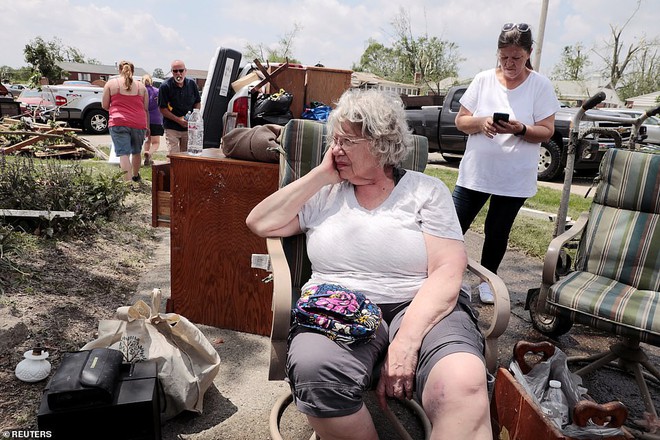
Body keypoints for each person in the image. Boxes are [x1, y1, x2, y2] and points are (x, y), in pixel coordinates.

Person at [246, 89, 491, 439]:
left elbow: (447, 270)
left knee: (463, 383)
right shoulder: (324, 193)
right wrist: (320, 176)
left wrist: (406, 342)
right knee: (317, 374)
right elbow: (259, 222)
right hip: (339, 305)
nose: (335, 150)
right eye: (334, 140)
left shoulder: (427, 191)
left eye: (346, 140)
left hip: (420, 303)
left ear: (380, 143)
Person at [453, 22, 560, 304]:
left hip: (513, 178)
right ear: (498, 54)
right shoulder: (483, 79)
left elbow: (547, 130)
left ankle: (487, 280)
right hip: (476, 173)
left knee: (497, 231)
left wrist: (520, 129)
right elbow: (461, 121)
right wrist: (481, 121)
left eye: (517, 58)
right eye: (504, 58)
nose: (510, 64)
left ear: (529, 53)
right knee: (451, 226)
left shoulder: (540, 85)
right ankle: (442, 274)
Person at [102, 60, 149, 183]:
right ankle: (135, 175)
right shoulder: (142, 87)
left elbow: (104, 105)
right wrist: (147, 126)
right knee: (137, 152)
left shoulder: (111, 84)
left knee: (123, 153)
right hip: (138, 123)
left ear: (119, 70)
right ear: (133, 71)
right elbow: (145, 108)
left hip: (118, 122)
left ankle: (128, 183)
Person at [158, 60, 201, 153]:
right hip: (171, 127)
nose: (178, 74)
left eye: (181, 71)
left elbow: (198, 102)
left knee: (186, 156)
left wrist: (194, 116)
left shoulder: (191, 84)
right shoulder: (165, 86)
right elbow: (162, 108)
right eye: (175, 71)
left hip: (188, 127)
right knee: (173, 155)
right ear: (172, 72)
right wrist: (178, 120)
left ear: (185, 71)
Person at [142, 74, 163, 166]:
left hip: (144, 119)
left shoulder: (141, 91)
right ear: (152, 81)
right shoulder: (157, 91)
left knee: (147, 140)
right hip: (156, 119)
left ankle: (147, 157)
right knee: (156, 142)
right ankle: (149, 153)